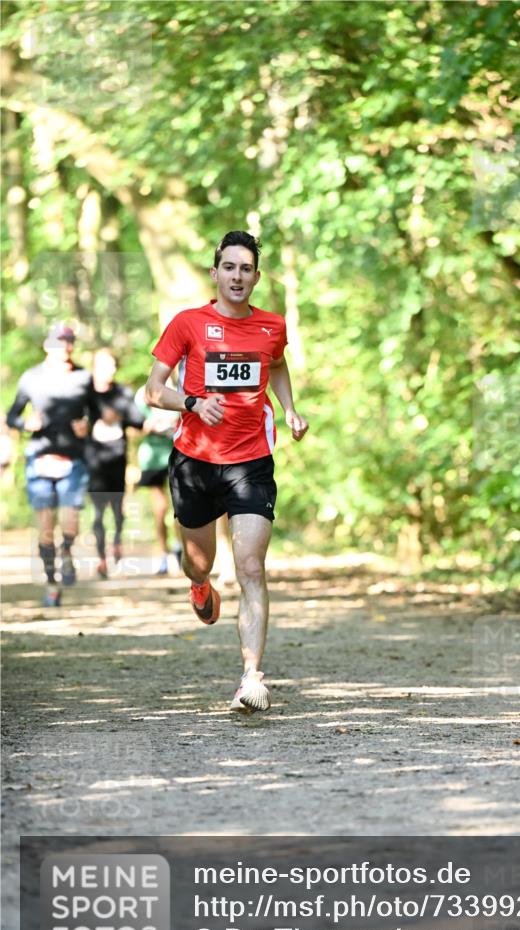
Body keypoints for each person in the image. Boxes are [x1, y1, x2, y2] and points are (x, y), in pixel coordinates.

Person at [145, 230, 308, 713]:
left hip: (251, 461)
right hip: (194, 462)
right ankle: (198, 584)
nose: (238, 276)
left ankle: (251, 676)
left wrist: (290, 409)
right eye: (230, 267)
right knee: (199, 561)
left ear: (256, 277)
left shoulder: (272, 325)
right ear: (215, 273)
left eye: (247, 269)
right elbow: (153, 390)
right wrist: (193, 402)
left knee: (252, 567)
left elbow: (275, 365)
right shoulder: (188, 324)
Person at [6, 322, 95, 606]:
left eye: (70, 341)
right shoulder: (31, 378)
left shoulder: (83, 377)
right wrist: (24, 423)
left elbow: (96, 412)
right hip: (40, 458)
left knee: (70, 522)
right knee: (45, 525)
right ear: (47, 345)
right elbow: (12, 416)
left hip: (73, 458)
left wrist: (88, 425)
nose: (66, 346)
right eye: (60, 341)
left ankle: (67, 552)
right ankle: (52, 583)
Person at [87, 349, 144, 578]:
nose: (109, 370)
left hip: (117, 458)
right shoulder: (86, 393)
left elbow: (138, 420)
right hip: (94, 459)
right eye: (104, 365)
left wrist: (117, 416)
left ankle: (118, 541)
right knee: (98, 512)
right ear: (95, 367)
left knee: (117, 510)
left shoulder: (122, 392)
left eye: (112, 365)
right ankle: (102, 558)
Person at [134, 382, 181, 575]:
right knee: (160, 509)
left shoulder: (183, 388)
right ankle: (163, 554)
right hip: (152, 457)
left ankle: (180, 549)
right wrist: (149, 427)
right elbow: (136, 427)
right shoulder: (143, 393)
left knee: (180, 508)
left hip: (178, 453)